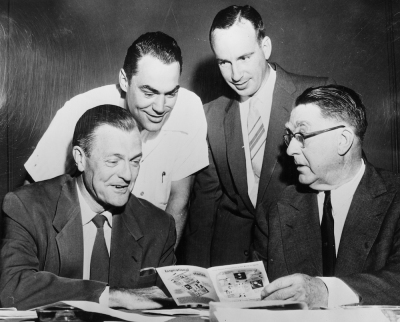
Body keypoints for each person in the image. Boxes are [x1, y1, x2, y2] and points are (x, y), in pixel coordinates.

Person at [182, 5, 334, 267]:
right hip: (230, 265)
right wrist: (198, 279)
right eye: (224, 62)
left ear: (265, 47)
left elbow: (342, 184)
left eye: (244, 58)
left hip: (297, 257)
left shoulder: (315, 94)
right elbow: (204, 209)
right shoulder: (210, 115)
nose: (236, 75)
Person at [24, 32, 208, 245]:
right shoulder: (79, 109)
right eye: (149, 93)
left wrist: (160, 269)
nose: (160, 107)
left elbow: (179, 200)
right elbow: (31, 194)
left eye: (171, 93)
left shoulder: (189, 108)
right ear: (124, 80)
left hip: (148, 246)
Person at [1, 105, 176, 310]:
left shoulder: (158, 225)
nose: (128, 175)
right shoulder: (26, 207)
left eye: (135, 161)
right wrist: (112, 296)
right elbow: (14, 287)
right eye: (113, 161)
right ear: (80, 159)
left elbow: (169, 304)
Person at [258, 85, 400, 307]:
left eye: (302, 136)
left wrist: (325, 292)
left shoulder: (396, 198)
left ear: (343, 140)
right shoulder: (276, 208)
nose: (290, 150)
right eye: (290, 136)